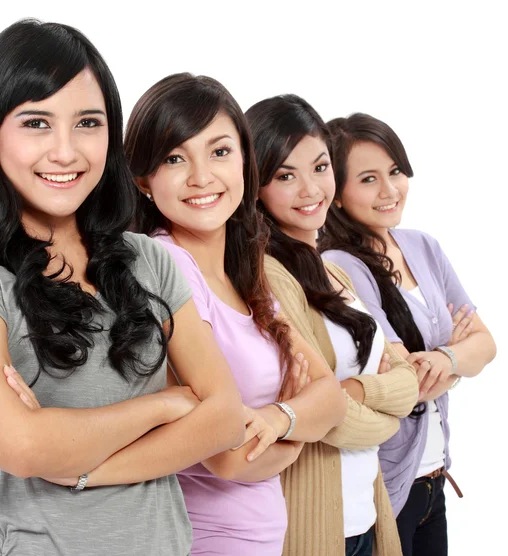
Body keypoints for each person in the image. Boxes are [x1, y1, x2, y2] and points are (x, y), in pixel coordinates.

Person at [0, 20, 245, 556]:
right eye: (36, 123)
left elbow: (225, 417)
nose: (66, 151)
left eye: (88, 123)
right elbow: (21, 445)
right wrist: (163, 405)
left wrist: (81, 465)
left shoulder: (148, 258)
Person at [111, 73, 345, 554]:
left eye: (219, 152)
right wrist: (299, 427)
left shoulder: (244, 270)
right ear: (144, 180)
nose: (202, 177)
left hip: (259, 538)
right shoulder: (165, 264)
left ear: (244, 160)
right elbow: (229, 458)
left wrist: (277, 418)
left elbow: (333, 400)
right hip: (203, 539)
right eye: (175, 158)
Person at [247, 94, 419, 556]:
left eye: (320, 167)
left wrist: (357, 393)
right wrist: (380, 406)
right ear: (256, 185)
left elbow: (407, 378)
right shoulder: (267, 276)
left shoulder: (335, 272)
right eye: (286, 175)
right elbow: (324, 419)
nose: (310, 189)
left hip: (366, 511)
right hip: (318, 524)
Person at [318, 113, 497, 556]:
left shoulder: (422, 246)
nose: (389, 190)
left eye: (395, 171)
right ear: (336, 194)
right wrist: (453, 353)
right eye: (368, 179)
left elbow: (487, 344)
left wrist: (445, 360)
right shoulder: (342, 265)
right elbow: (403, 381)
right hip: (388, 481)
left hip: (436, 478)